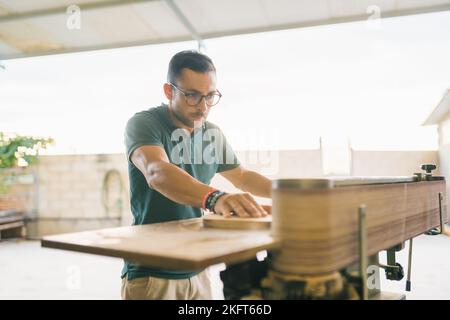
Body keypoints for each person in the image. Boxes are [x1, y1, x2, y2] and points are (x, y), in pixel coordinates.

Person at [121, 50, 272, 300]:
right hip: (152, 271)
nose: (203, 106)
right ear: (169, 91)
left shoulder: (212, 133)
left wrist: (293, 192)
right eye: (192, 95)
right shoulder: (145, 124)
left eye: (210, 96)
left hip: (197, 267)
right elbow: (156, 172)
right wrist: (216, 199)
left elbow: (243, 177)